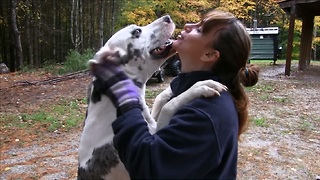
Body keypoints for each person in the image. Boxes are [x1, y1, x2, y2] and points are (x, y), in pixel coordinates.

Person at [91, 10, 260, 179]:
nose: (187, 26)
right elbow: (158, 137)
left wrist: (125, 92)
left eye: (199, 30)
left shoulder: (205, 112)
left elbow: (147, 165)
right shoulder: (189, 92)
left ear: (209, 55)